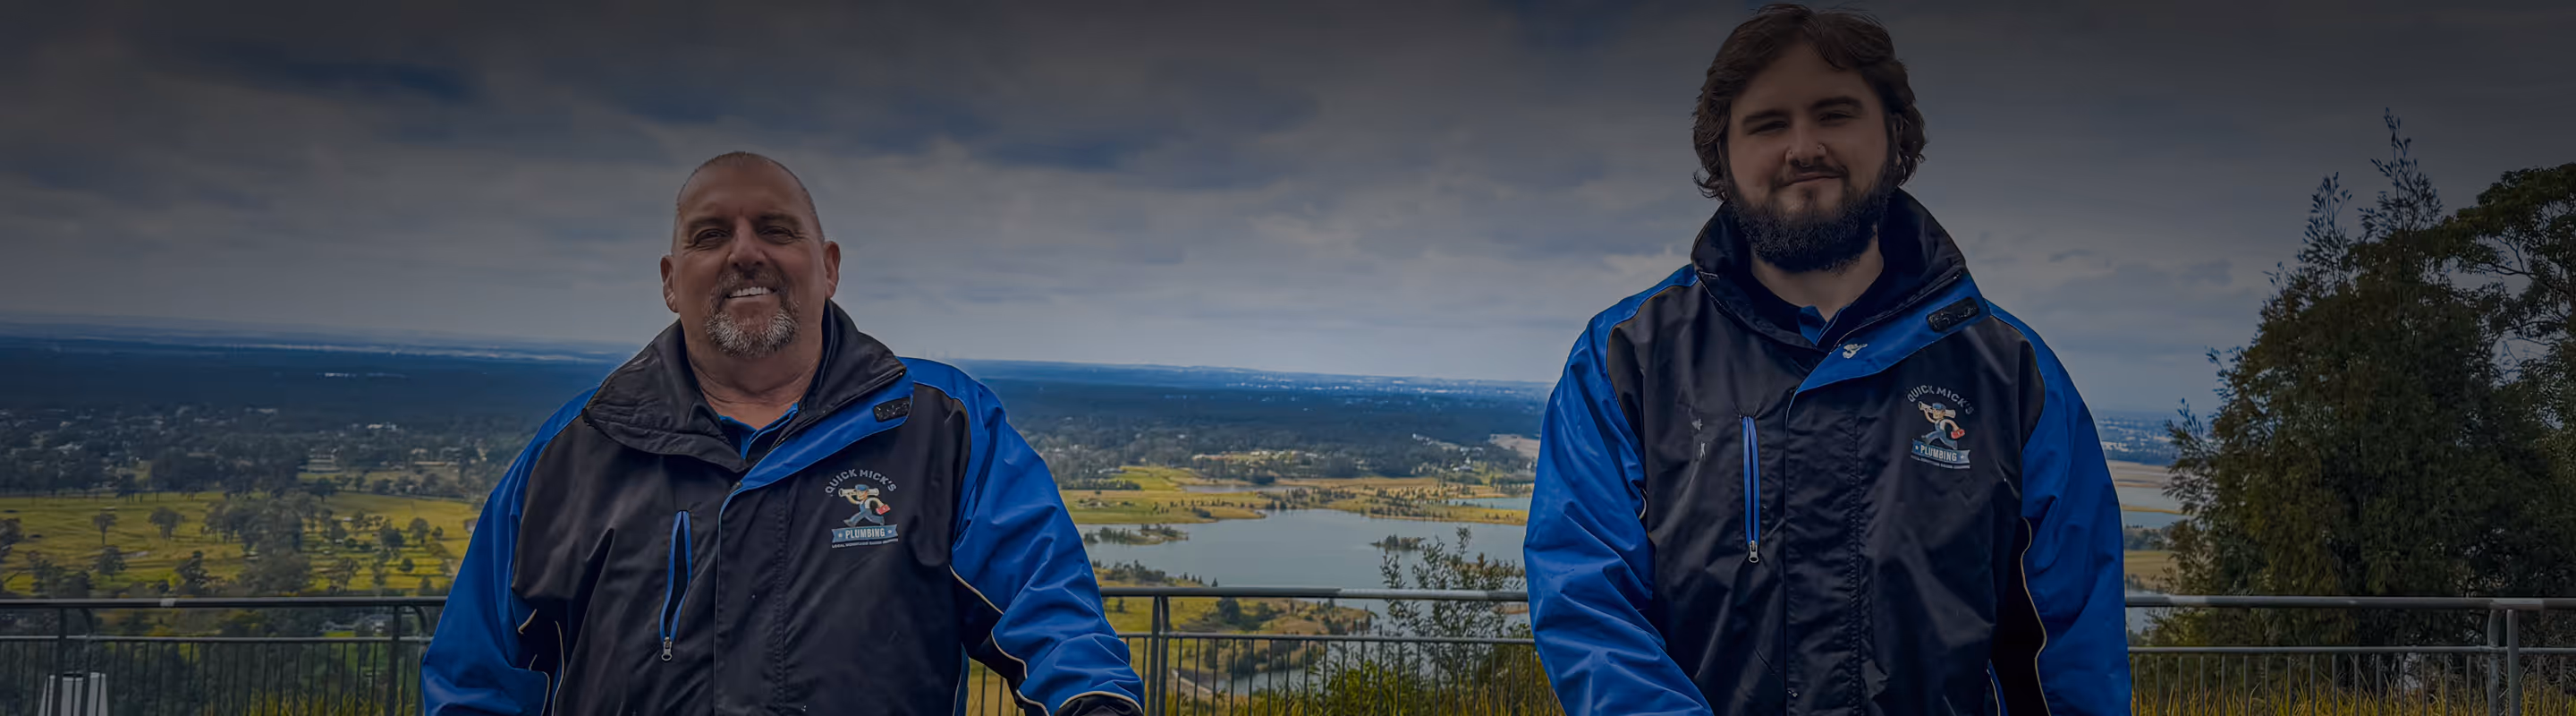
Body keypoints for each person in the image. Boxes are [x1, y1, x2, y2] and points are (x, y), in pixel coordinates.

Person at [1523, 4, 2131, 714]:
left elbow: (2073, 645)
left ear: (1895, 136)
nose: (1803, 146)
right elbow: (1588, 605)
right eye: (1768, 123)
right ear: (1722, 154)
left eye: (1835, 113)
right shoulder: (1624, 360)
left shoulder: (2013, 373)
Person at [422, 152, 1145, 715]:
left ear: (828, 267)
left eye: (776, 229)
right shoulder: (573, 453)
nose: (745, 253)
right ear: (672, 281)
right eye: (711, 236)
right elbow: (478, 681)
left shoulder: (943, 425)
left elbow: (1051, 613)